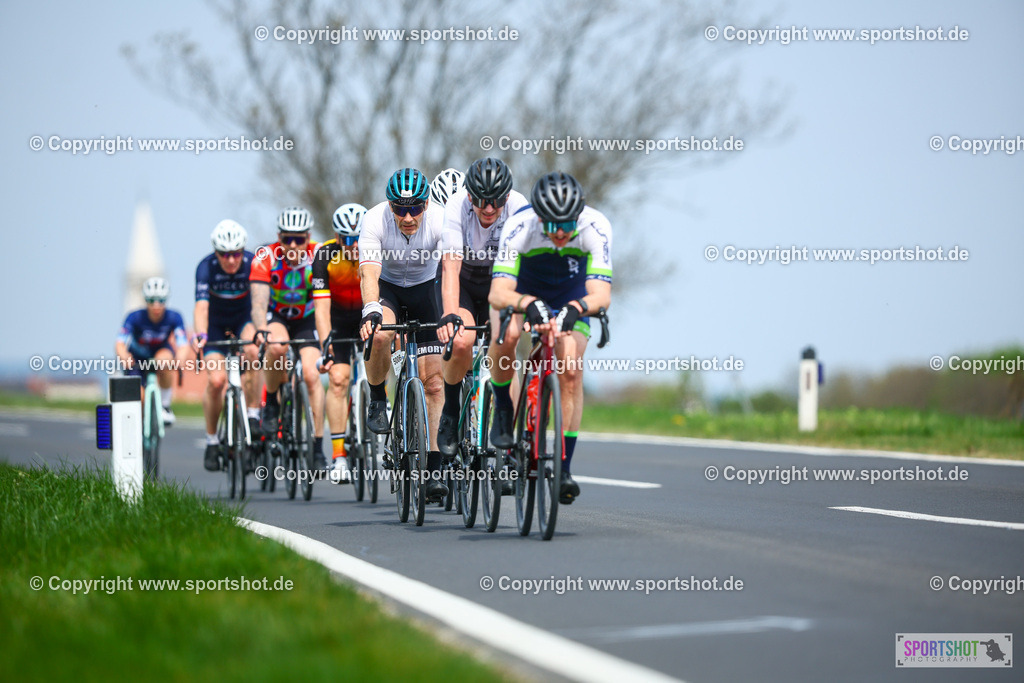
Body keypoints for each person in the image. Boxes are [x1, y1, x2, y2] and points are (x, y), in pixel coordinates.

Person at [487, 172, 612, 504]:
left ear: (579, 217)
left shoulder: (596, 226)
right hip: (524, 291)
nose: (559, 232)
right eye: (552, 225)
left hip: (571, 296)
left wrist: (577, 308)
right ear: (539, 217)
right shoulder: (520, 226)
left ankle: (565, 468)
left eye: (567, 225)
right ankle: (503, 408)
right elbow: (499, 293)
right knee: (508, 336)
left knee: (570, 368)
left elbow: (601, 294)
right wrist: (527, 304)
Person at [358, 168, 448, 501]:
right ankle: (379, 398)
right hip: (389, 289)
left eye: (415, 208)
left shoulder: (441, 219)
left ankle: (435, 468)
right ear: (389, 205)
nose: (408, 217)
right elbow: (369, 272)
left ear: (426, 204)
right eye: (400, 208)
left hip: (427, 290)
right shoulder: (374, 220)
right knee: (380, 336)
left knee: (434, 382)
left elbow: (454, 265)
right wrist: (371, 309)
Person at [435, 157, 527, 460]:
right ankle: (450, 409)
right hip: (461, 280)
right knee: (461, 341)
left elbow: (525, 266)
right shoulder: (456, 206)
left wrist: (525, 307)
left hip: (498, 282)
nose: (489, 209)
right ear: (470, 195)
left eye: (497, 201)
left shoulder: (519, 207)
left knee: (506, 342)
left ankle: (505, 427)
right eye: (482, 201)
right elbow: (449, 266)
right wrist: (449, 315)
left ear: (508, 196)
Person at [250, 207, 328, 471]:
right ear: (278, 238)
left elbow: (324, 302)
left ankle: (317, 447)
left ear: (308, 237)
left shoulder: (320, 255)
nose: (293, 245)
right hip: (278, 317)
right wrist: (261, 329)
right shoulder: (265, 257)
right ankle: (271, 401)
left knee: (311, 373)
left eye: (299, 239)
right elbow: (259, 303)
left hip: (307, 318)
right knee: (276, 347)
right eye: (287, 239)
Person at [192, 220, 261, 472]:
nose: (231, 260)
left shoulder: (253, 263)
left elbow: (261, 302)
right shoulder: (205, 267)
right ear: (215, 252)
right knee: (217, 381)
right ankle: (212, 441)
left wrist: (262, 330)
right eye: (224, 254)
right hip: (215, 326)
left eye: (235, 254)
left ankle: (253, 415)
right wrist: (200, 334)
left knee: (254, 350)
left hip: (244, 319)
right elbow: (201, 307)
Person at [313, 203, 367, 483]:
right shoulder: (325, 255)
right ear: (337, 237)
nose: (354, 246)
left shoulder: (378, 249)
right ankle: (339, 458)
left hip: (368, 318)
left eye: (358, 239)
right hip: (338, 322)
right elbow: (321, 310)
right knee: (338, 379)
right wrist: (326, 346)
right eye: (347, 240)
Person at [115, 277, 189, 425]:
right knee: (140, 398)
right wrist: (124, 356)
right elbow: (120, 343)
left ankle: (165, 406)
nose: (156, 305)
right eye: (151, 300)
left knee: (165, 361)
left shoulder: (174, 317)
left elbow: (183, 343)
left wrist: (180, 358)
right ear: (146, 300)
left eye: (161, 301)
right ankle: (141, 426)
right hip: (138, 358)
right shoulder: (134, 317)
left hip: (160, 351)